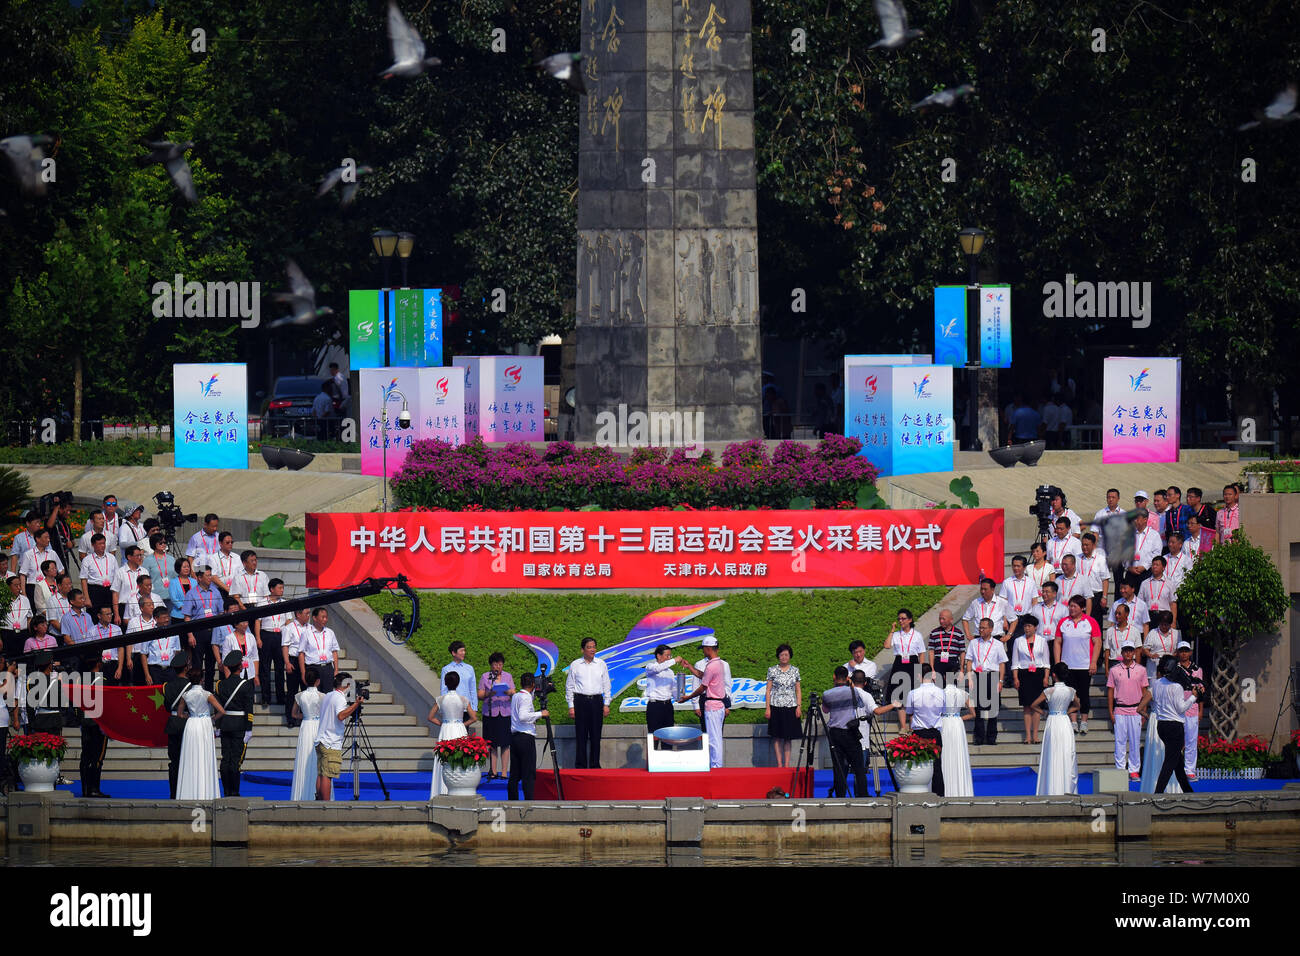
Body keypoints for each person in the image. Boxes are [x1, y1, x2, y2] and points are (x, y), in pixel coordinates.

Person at [1151, 656, 1202, 793]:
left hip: (1161, 725)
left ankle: (1188, 791)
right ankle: (1158, 793)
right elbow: (1181, 708)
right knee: (1170, 762)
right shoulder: (1176, 687)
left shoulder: (1156, 683)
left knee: (1177, 761)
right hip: (1175, 726)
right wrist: (1193, 696)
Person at [1052, 595, 1100, 735]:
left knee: (1084, 694)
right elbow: (1057, 643)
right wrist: (1057, 663)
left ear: (1082, 608)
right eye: (1070, 606)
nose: (1071, 609)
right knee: (1070, 695)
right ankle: (1073, 721)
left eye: (1075, 606)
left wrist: (1093, 662)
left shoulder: (1090, 622)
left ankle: (1084, 721)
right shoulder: (1063, 622)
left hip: (1084, 665)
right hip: (1068, 666)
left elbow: (1097, 643)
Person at [176, 665, 225, 800]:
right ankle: (206, 792)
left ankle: (188, 792)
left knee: (190, 755)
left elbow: (180, 714)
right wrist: (212, 718)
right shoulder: (207, 694)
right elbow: (222, 711)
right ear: (202, 679)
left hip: (191, 724)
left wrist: (190, 716)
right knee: (204, 754)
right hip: (204, 724)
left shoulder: (185, 695)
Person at [820, 667, 871, 798]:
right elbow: (859, 705)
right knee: (859, 767)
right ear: (847, 678)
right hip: (851, 732)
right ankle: (863, 795)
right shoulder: (853, 692)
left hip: (835, 733)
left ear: (834, 677)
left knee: (838, 767)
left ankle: (840, 796)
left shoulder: (827, 694)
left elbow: (825, 710)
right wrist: (851, 685)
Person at [678, 636, 727, 768]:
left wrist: (687, 698)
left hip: (713, 705)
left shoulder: (712, 666)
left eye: (704, 649)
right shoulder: (719, 664)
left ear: (708, 648)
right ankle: (715, 764)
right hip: (717, 705)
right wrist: (689, 667)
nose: (703, 652)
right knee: (714, 737)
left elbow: (703, 687)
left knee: (713, 739)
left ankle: (716, 766)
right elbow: (703, 675)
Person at [1107, 642, 1151, 781]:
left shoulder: (1141, 670)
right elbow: (1110, 691)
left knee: (1134, 741)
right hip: (1120, 708)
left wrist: (1144, 711)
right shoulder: (1114, 670)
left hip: (1136, 709)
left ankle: (1133, 770)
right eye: (1125, 650)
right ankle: (1120, 770)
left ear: (1134, 652)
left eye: (1130, 650)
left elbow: (1145, 691)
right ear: (1121, 652)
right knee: (1119, 741)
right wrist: (1111, 711)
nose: (1128, 653)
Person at [1034, 662, 1080, 795]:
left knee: (1052, 752)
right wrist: (1066, 710)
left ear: (1053, 675)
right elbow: (1077, 705)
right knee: (1066, 752)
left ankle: (1051, 787)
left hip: (1053, 721)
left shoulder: (1049, 691)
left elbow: (1034, 705)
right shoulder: (1071, 691)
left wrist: (1044, 713)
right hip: (1064, 720)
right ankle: (1066, 788)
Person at [315, 672, 362, 800]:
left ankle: (318, 802)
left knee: (321, 774)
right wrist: (356, 705)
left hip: (321, 740)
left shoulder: (328, 695)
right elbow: (341, 716)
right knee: (327, 775)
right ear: (346, 684)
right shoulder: (340, 698)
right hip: (331, 742)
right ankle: (325, 804)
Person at [428, 670, 476, 797]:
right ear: (458, 683)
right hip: (459, 728)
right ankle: (461, 788)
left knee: (443, 758)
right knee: (461, 757)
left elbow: (430, 717)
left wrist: (443, 723)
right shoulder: (463, 699)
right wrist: (462, 724)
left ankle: (441, 790)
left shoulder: (441, 699)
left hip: (446, 729)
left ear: (445, 683)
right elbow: (474, 718)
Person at [566, 637, 611, 769]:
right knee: (581, 734)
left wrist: (606, 703)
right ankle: (580, 765)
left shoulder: (601, 664)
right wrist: (571, 706)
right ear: (582, 649)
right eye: (589, 647)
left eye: (594, 647)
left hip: (597, 701)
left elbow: (606, 684)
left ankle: (595, 764)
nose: (592, 649)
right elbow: (569, 686)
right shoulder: (575, 665)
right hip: (580, 701)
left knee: (596, 735)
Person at [216, 650, 255, 797]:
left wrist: (218, 726)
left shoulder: (220, 685)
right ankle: (235, 791)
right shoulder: (245, 685)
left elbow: (218, 707)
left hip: (225, 724)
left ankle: (226, 790)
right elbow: (249, 709)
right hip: (239, 725)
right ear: (240, 667)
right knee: (235, 761)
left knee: (226, 758)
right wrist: (249, 729)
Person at [906, 669, 947, 796]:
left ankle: (916, 795)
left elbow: (909, 712)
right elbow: (943, 711)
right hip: (934, 733)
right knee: (937, 767)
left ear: (919, 676)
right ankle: (939, 796)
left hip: (919, 734)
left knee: (916, 766)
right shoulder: (941, 692)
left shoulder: (913, 693)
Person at [1012, 615, 1052, 745]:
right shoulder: (1018, 641)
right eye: (1025, 626)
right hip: (1024, 674)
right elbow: (1015, 662)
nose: (1027, 629)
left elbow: (1046, 662)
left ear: (1035, 627)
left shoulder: (1042, 641)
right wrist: (1015, 677)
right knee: (1027, 706)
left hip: (1038, 674)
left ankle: (1035, 735)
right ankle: (1027, 736)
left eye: (1029, 626)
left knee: (1037, 705)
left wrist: (1046, 677)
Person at [508, 671, 548, 801]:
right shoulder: (525, 698)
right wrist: (541, 714)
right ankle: (529, 801)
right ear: (533, 684)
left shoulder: (516, 696)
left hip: (514, 738)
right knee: (528, 773)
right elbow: (523, 716)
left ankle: (512, 801)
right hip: (525, 738)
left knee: (514, 773)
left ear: (520, 683)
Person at [182, 566, 223, 689]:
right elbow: (187, 617)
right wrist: (190, 635)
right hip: (198, 632)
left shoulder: (216, 592)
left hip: (214, 631)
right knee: (197, 663)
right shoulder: (191, 593)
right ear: (199, 578)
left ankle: (209, 689)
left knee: (211, 664)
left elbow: (221, 613)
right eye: (208, 575)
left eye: (211, 575)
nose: (211, 578)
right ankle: (197, 689)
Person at [967, 618, 1007, 746]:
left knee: (993, 709)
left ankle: (991, 738)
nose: (981, 630)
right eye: (980, 627)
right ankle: (978, 737)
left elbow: (1002, 664)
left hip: (992, 676)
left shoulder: (997, 644)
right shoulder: (974, 643)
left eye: (984, 628)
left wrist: (1000, 680)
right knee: (978, 708)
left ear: (991, 629)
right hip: (977, 675)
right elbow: (969, 660)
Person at [477, 652, 515, 780]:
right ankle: (493, 770)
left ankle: (504, 771)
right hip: (490, 712)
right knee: (492, 743)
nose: (498, 667)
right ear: (491, 665)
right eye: (495, 664)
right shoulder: (485, 677)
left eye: (500, 664)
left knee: (505, 743)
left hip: (505, 712)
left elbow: (513, 692)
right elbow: (480, 694)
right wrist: (489, 693)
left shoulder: (508, 676)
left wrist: (508, 692)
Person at [77, 655, 110, 798]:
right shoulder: (102, 680)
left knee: (86, 756)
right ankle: (94, 788)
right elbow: (106, 705)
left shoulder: (80, 680)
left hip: (85, 722)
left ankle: (85, 788)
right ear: (98, 664)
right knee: (97, 757)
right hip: (97, 723)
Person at [885, 608, 924, 729]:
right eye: (899, 619)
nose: (901, 621)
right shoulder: (896, 635)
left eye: (903, 618)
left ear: (910, 620)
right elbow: (886, 645)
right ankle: (903, 727)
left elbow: (921, 653)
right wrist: (892, 631)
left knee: (912, 697)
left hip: (912, 663)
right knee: (900, 696)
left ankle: (912, 727)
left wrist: (920, 670)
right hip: (899, 663)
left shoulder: (917, 635)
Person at [764, 643, 802, 768]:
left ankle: (786, 764)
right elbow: (768, 690)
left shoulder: (795, 670)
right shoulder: (772, 670)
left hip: (791, 706)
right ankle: (779, 764)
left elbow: (798, 690)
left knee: (788, 737)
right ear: (778, 656)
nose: (784, 657)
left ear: (790, 656)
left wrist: (799, 706)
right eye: (782, 655)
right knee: (776, 736)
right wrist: (768, 707)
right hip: (775, 705)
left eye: (786, 655)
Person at [290, 665, 324, 801]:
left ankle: (301, 794)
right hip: (318, 726)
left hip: (306, 726)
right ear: (318, 681)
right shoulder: (323, 696)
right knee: (319, 759)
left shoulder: (299, 695)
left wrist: (306, 717)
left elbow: (293, 714)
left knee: (304, 758)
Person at [162, 651, 191, 799]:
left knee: (174, 762)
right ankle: (185, 792)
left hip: (173, 724)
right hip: (187, 725)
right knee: (188, 761)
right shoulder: (191, 686)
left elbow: (167, 707)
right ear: (186, 668)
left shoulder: (167, 687)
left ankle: (173, 793)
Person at [938, 675, 974, 797]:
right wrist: (958, 718)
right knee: (958, 753)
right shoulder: (964, 693)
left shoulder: (940, 693)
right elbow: (973, 714)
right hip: (958, 724)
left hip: (944, 723)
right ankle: (961, 790)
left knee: (945, 753)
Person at [258, 578, 290, 708]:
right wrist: (258, 638)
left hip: (280, 636)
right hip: (266, 634)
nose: (281, 590)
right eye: (279, 588)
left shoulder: (285, 603)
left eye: (283, 588)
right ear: (272, 589)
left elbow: (288, 621)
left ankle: (281, 696)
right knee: (265, 667)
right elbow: (257, 622)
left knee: (279, 668)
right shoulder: (262, 603)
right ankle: (266, 697)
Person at [1175, 642, 1203, 781]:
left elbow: (1201, 691)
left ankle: (1190, 770)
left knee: (1191, 741)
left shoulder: (1197, 669)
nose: (1184, 653)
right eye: (1181, 651)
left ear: (1190, 652)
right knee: (1177, 741)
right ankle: (1176, 769)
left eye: (1186, 651)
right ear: (1177, 652)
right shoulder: (1174, 668)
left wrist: (1201, 710)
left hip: (1192, 708)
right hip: (1178, 708)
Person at [298, 607, 339, 694]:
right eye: (322, 617)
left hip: (327, 668)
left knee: (327, 695)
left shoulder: (330, 633)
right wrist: (303, 673)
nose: (325, 619)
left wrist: (336, 669)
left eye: (326, 617)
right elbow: (301, 653)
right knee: (314, 696)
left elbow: (334, 651)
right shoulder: (306, 633)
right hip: (313, 668)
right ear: (315, 618)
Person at [643, 644, 682, 735]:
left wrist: (680, 697)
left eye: (670, 656)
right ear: (658, 656)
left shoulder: (670, 672)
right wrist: (674, 660)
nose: (669, 658)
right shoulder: (650, 667)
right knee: (654, 736)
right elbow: (658, 669)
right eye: (667, 655)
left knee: (668, 736)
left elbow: (674, 689)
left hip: (668, 706)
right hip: (655, 706)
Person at [283, 607, 312, 727]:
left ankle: (305, 716)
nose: (308, 616)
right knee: (292, 691)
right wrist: (287, 663)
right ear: (298, 615)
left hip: (308, 661)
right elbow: (285, 646)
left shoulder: (310, 628)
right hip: (294, 660)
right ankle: (290, 718)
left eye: (309, 613)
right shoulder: (288, 628)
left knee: (307, 690)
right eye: (306, 613)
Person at [926, 608, 966, 681]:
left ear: (951, 620)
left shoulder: (959, 633)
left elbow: (962, 652)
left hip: (953, 662)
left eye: (943, 619)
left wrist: (962, 670)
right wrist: (932, 669)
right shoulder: (934, 633)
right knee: (939, 688)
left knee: (951, 688)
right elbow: (931, 651)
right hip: (938, 662)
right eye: (940, 619)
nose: (941, 621)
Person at [1139, 556, 1177, 625]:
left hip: (1164, 616)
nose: (1154, 567)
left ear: (1163, 568)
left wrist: (1173, 622)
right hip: (1149, 616)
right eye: (1153, 565)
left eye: (1157, 565)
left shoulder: (1170, 584)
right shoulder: (1144, 583)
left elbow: (1173, 604)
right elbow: (1140, 603)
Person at [1142, 611, 1180, 681]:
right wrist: (1151, 655)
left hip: (1170, 665)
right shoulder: (1153, 632)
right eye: (1162, 624)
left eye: (1166, 625)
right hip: (1155, 666)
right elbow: (1145, 649)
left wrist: (1174, 656)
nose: (1164, 627)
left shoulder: (1176, 633)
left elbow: (1179, 650)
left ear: (1170, 624)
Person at [2, 575, 32, 657]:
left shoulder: (25, 599)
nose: (19, 588)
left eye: (20, 585)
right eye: (16, 585)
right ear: (8, 587)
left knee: (23, 659)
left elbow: (29, 617)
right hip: (8, 634)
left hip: (23, 633)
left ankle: (22, 670)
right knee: (10, 659)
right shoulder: (2, 600)